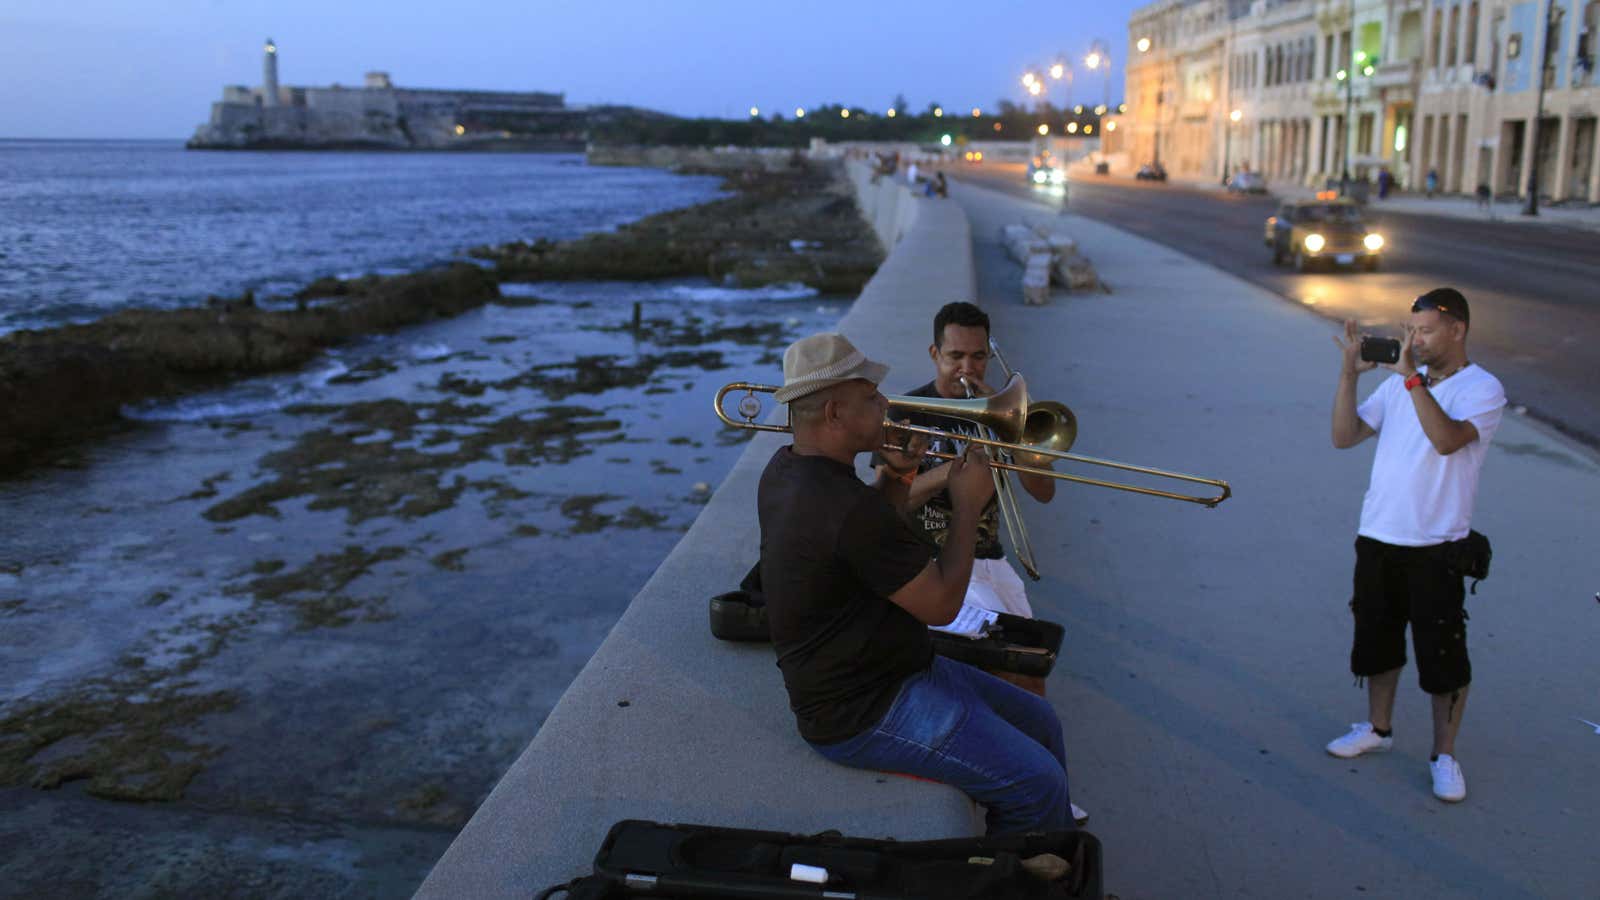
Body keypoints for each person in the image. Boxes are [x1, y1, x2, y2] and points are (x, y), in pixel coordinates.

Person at [758, 332, 1080, 834]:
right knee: (1038, 784)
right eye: (871, 397)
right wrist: (968, 501)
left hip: (895, 666)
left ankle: (1051, 849)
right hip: (861, 709)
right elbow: (941, 606)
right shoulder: (842, 506)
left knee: (1041, 721)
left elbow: (865, 548)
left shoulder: (786, 470)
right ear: (836, 414)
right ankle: (1017, 870)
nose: (887, 404)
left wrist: (899, 477)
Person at [1327, 288, 1506, 803]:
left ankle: (1444, 755)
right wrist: (1348, 374)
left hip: (1438, 545)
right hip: (1379, 536)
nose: (1416, 341)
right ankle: (1378, 731)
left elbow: (1447, 440)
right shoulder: (1400, 386)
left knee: (1444, 656)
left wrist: (1410, 380)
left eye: (1425, 332)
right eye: (1412, 332)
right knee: (1377, 643)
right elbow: (1343, 436)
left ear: (1458, 330)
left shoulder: (1482, 388)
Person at [888, 302, 1057, 695]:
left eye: (978, 357)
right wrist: (950, 471)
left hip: (991, 563)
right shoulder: (907, 412)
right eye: (955, 356)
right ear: (935, 355)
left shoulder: (1002, 414)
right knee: (1014, 676)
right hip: (934, 563)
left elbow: (1044, 492)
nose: (967, 368)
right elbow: (892, 502)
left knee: (1033, 675)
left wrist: (1011, 434)